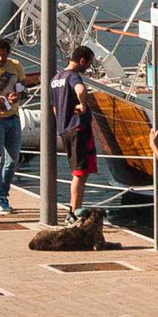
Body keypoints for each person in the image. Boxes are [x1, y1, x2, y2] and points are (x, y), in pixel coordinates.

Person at [47, 45, 98, 222]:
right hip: (78, 129)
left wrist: (63, 119)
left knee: (79, 171)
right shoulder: (73, 76)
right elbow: (81, 90)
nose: (89, 67)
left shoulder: (55, 79)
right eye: (89, 63)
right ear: (82, 60)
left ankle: (74, 210)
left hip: (65, 129)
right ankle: (74, 212)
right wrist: (83, 106)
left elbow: (54, 108)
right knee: (79, 172)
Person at [0, 41, 28, 215]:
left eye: (3, 54)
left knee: (12, 160)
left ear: (8, 53)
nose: (0, 58)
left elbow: (24, 87)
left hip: (13, 116)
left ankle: (4, 194)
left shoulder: (15, 66)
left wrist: (18, 95)